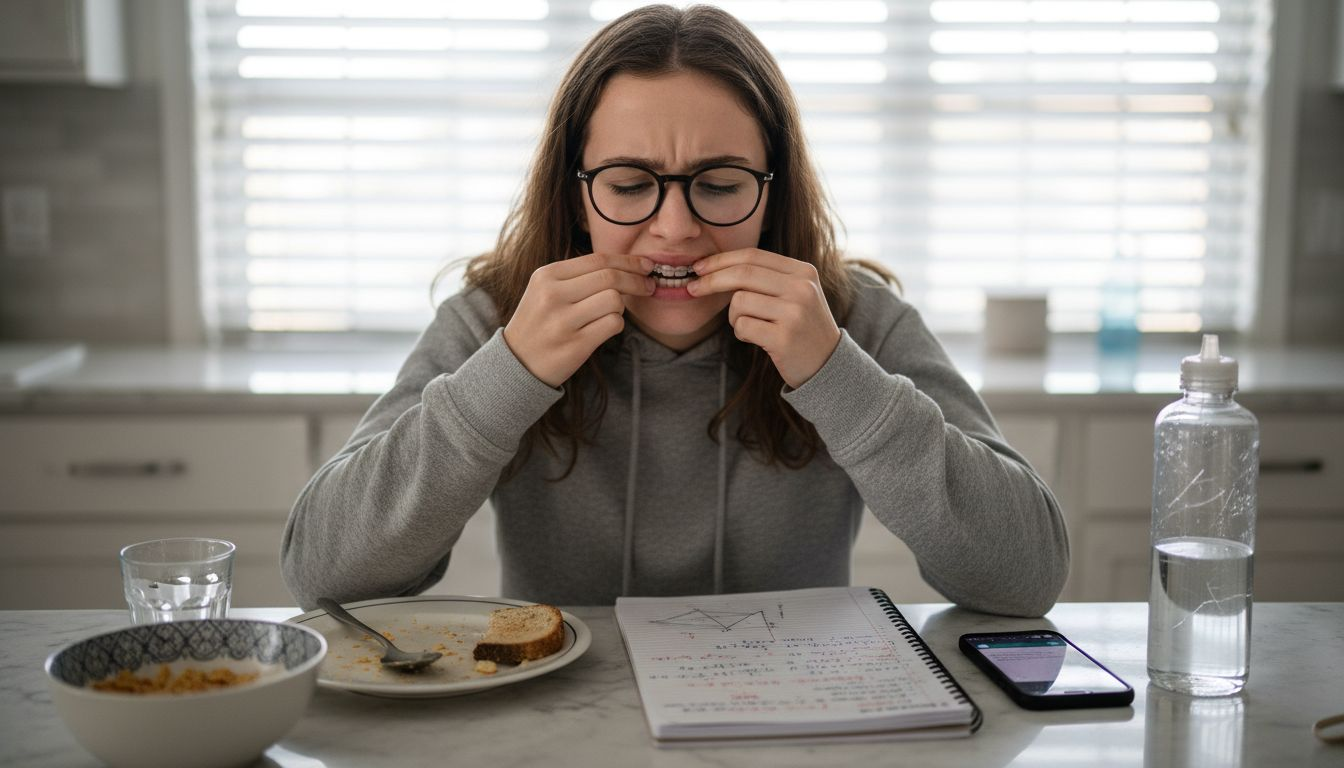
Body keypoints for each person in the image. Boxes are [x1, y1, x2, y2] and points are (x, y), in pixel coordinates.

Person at [281, 4, 1069, 617]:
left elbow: (1026, 576)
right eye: (629, 185)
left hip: (798, 723)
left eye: (720, 184)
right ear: (576, 194)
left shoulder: (853, 320)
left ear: (774, 191)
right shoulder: (493, 320)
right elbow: (324, 575)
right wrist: (509, 374)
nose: (676, 228)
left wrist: (836, 376)